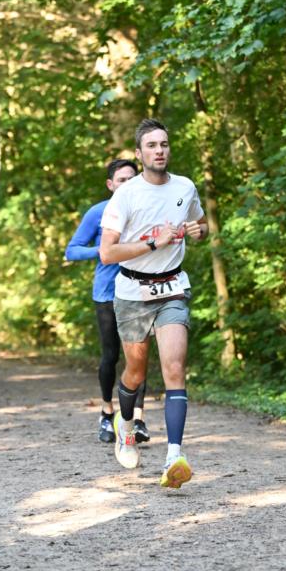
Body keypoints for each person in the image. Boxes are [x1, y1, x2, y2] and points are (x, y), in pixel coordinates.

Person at [100, 118, 209, 489]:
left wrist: (199, 229)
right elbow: (107, 253)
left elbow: (201, 222)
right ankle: (125, 426)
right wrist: (153, 243)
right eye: (151, 146)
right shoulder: (126, 195)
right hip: (132, 293)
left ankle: (174, 455)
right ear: (139, 153)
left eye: (164, 144)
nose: (159, 150)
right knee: (136, 372)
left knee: (175, 368)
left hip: (173, 287)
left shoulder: (185, 187)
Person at [64, 159, 149, 444]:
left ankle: (138, 420)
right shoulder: (98, 212)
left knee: (138, 357)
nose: (128, 184)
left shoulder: (147, 210)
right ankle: (106, 412)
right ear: (111, 185)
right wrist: (103, 251)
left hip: (141, 290)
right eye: (121, 180)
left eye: (132, 179)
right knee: (111, 356)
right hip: (107, 294)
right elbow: (72, 250)